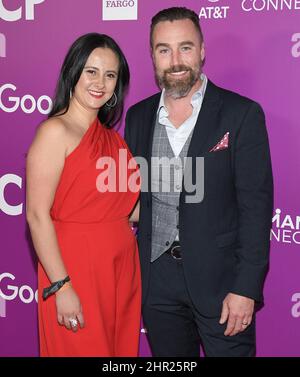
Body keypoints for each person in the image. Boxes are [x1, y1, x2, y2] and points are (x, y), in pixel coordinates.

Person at [124, 7, 273, 357]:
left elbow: (256, 208)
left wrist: (246, 288)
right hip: (156, 283)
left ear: (202, 50)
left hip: (222, 285)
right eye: (164, 49)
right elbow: (132, 196)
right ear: (153, 55)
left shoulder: (241, 114)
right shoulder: (138, 116)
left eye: (185, 47)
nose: (175, 60)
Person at [26, 33, 141, 357]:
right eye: (91, 71)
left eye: (110, 75)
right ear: (73, 72)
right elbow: (37, 215)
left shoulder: (114, 141)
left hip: (121, 269)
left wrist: (193, 205)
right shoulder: (54, 132)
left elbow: (127, 210)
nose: (100, 83)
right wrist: (61, 286)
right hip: (74, 269)